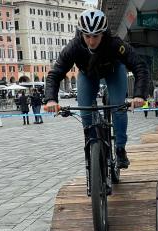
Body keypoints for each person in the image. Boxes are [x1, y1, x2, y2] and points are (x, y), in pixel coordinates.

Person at [44, 9, 150, 169]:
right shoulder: (74, 46)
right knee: (85, 110)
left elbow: (139, 66)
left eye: (96, 36)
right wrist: (51, 99)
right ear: (81, 34)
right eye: (87, 36)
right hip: (88, 74)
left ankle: (120, 149)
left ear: (103, 34)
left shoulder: (115, 43)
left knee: (118, 106)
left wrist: (139, 95)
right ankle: (93, 145)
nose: (91, 41)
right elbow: (55, 73)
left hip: (114, 71)